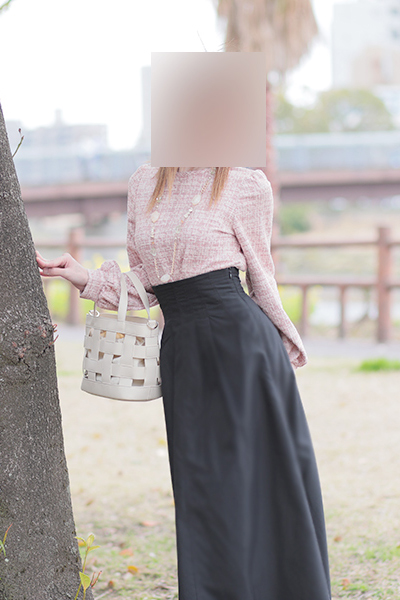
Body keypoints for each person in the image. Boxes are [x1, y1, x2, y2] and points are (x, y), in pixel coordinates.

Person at [36, 164, 332, 600]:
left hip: (241, 347)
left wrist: (284, 345)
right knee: (201, 487)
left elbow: (260, 275)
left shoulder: (243, 182)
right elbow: (147, 284)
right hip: (182, 349)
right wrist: (84, 276)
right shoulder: (144, 182)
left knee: (258, 480)